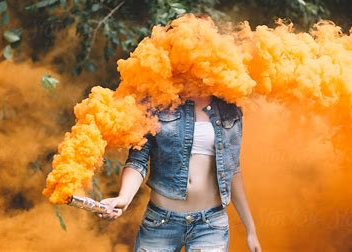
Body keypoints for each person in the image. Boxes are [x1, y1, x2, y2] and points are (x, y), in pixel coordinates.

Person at [98, 95, 261, 252]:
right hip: (160, 222)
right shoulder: (156, 103)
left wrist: (251, 229)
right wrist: (124, 197)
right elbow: (137, 159)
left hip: (211, 225)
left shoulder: (230, 107)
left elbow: (232, 168)